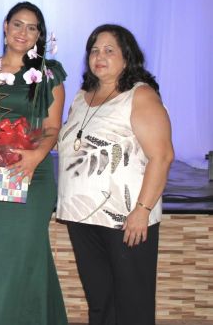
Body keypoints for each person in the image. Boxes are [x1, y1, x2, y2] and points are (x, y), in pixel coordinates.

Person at [56, 24, 173, 325]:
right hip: (82, 216)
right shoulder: (82, 97)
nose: (100, 56)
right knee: (100, 301)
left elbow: (162, 156)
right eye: (94, 50)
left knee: (132, 303)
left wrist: (142, 210)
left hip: (125, 218)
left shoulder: (139, 95)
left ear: (127, 57)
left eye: (109, 50)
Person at [0, 2, 68, 324]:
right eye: (18, 24)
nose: (24, 32)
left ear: (39, 35)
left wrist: (35, 157)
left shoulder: (48, 75)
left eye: (32, 27)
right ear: (5, 27)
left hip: (32, 174)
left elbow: (52, 128)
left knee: (26, 251)